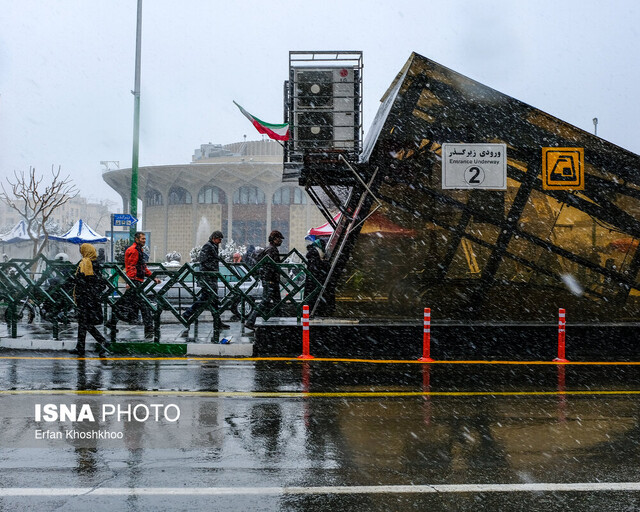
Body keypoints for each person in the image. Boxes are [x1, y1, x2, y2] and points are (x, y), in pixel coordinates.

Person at [182, 230, 230, 330]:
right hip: (208, 278)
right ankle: (187, 314)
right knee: (206, 299)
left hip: (210, 278)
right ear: (214, 238)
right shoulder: (208, 246)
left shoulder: (213, 246)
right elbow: (203, 260)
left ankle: (217, 322)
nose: (220, 241)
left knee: (213, 300)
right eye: (219, 239)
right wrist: (212, 269)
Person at [70, 243, 110, 356]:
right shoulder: (96, 264)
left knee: (85, 323)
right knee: (82, 323)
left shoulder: (85, 263)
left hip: (85, 299)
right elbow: (99, 282)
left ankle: (102, 341)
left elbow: (82, 280)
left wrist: (75, 280)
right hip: (91, 298)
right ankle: (80, 347)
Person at [123, 231, 161, 339]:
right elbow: (132, 266)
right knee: (144, 306)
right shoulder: (134, 250)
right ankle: (149, 329)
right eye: (142, 239)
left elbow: (142, 267)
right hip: (135, 282)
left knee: (128, 304)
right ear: (136, 239)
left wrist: (153, 277)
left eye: (144, 239)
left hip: (136, 281)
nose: (144, 240)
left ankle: (112, 322)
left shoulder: (138, 250)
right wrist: (130, 281)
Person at [244, 230, 284, 330]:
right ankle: (250, 321)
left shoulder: (270, 249)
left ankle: (277, 323)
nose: (281, 241)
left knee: (276, 303)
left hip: (271, 280)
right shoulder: (271, 250)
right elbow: (269, 266)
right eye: (279, 239)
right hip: (271, 281)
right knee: (265, 302)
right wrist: (270, 278)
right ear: (274, 239)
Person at [303, 234, 329, 312]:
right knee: (312, 298)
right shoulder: (315, 254)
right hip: (314, 282)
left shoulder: (312, 254)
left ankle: (309, 311)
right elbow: (317, 267)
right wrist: (325, 263)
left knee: (310, 298)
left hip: (311, 282)